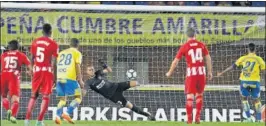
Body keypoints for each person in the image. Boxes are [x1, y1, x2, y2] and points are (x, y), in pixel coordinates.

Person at [166, 28, 213, 124]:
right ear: (195, 35)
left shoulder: (185, 46)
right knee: (199, 95)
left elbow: (175, 62)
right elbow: (208, 58)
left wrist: (169, 72)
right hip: (201, 72)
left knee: (190, 96)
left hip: (191, 73)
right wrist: (210, 71)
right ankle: (198, 118)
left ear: (187, 36)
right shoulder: (201, 45)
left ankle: (189, 119)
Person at [86, 60, 155, 121]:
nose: (92, 71)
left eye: (92, 69)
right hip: (113, 96)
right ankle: (148, 115)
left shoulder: (98, 73)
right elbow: (84, 90)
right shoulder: (89, 82)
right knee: (130, 106)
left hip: (116, 86)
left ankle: (147, 86)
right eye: (90, 70)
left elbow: (109, 70)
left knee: (135, 82)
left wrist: (104, 64)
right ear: (86, 72)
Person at [217, 43, 265, 122]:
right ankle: (259, 119)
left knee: (244, 99)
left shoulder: (243, 58)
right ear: (255, 50)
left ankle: (249, 118)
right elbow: (263, 71)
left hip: (245, 82)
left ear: (248, 49)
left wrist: (222, 73)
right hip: (255, 82)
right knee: (257, 100)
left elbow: (232, 67)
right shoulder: (259, 59)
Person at [25, 23, 59, 126]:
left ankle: (27, 120)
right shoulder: (53, 43)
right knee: (46, 96)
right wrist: (55, 77)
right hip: (47, 72)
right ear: (51, 32)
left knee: (33, 96)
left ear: (42, 31)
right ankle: (39, 121)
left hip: (37, 71)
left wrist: (31, 70)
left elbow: (31, 58)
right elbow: (54, 62)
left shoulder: (35, 42)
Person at [1, 40, 32, 123]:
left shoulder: (3, 55)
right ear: (18, 47)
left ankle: (8, 109)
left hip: (3, 75)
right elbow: (30, 67)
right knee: (15, 99)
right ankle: (12, 115)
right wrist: (30, 72)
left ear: (9, 47)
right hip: (14, 76)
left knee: (4, 97)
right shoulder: (21, 55)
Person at [55, 38, 84, 124]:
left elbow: (55, 65)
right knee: (79, 97)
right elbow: (77, 65)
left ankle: (57, 116)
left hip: (60, 78)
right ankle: (66, 113)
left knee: (62, 100)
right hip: (70, 79)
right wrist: (80, 79)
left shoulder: (61, 53)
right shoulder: (77, 53)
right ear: (78, 45)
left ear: (69, 45)